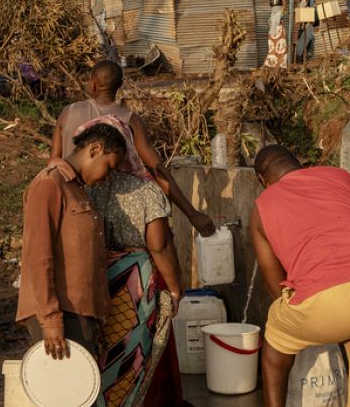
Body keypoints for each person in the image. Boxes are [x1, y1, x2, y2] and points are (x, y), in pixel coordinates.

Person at [249, 145, 350, 407]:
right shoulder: (341, 176)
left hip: (323, 301)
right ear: (299, 163)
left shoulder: (261, 208)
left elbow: (277, 289)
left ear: (261, 180)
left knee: (274, 347)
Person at [77, 115, 185, 406]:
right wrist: (175, 288)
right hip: (134, 285)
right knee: (132, 352)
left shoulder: (87, 186)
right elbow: (159, 246)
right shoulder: (146, 190)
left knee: (100, 350)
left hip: (97, 279)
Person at [51, 60, 216, 237]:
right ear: (120, 85)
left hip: (73, 205)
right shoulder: (129, 120)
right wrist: (192, 214)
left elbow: (53, 165)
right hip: (116, 215)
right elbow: (157, 169)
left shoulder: (68, 112)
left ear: (92, 83)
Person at [17, 123, 128, 359]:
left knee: (80, 391)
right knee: (65, 392)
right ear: (95, 149)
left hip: (78, 311)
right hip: (60, 312)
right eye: (109, 168)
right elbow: (38, 256)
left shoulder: (76, 189)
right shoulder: (49, 184)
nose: (107, 178)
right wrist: (50, 319)